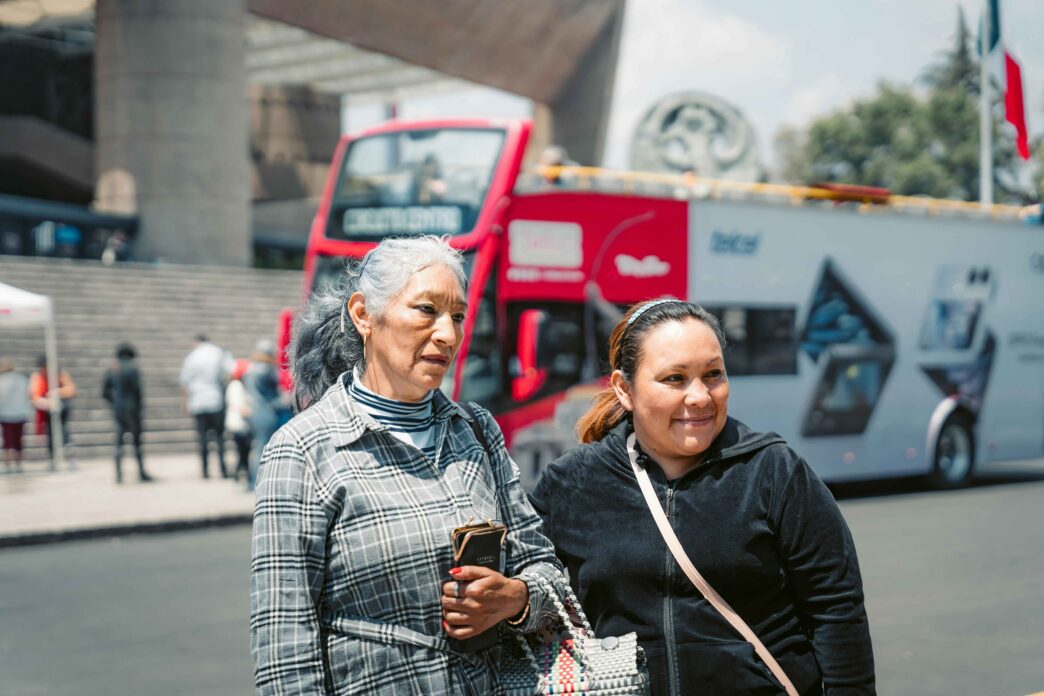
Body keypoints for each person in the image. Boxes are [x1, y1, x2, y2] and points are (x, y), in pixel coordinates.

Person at [250, 236, 571, 694]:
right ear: (363, 315)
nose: (448, 333)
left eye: (458, 316)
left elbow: (545, 567)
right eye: (427, 310)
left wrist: (515, 599)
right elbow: (285, 652)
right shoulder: (303, 449)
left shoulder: (476, 431)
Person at [531, 299, 876, 696]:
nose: (700, 397)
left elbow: (837, 611)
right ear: (624, 389)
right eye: (675, 379)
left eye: (713, 374)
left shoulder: (775, 472)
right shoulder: (573, 483)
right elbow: (533, 596)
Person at [179, 334, 231, 479]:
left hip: (197, 400)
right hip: (215, 397)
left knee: (202, 438)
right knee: (219, 436)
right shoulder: (217, 353)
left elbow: (185, 381)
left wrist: (185, 402)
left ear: (196, 342)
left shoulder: (192, 357)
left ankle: (205, 470)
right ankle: (223, 468)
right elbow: (229, 371)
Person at [102, 343, 152, 483]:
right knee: (136, 442)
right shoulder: (132, 369)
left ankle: (118, 474)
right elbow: (137, 391)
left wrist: (114, 403)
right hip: (132, 409)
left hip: (118, 409)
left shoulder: (112, 370)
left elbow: (105, 392)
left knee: (119, 441)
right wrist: (140, 407)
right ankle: (141, 472)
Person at [241, 339, 283, 492]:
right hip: (266, 412)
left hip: (253, 411)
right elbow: (275, 395)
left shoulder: (250, 368)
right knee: (265, 448)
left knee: (257, 447)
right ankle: (262, 481)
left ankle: (253, 481)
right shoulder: (266, 369)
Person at [28, 353, 78, 469]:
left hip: (62, 407)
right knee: (50, 432)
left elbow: (71, 389)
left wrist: (57, 392)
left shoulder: (60, 374)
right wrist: (44, 401)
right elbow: (33, 394)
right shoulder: (37, 377)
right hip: (46, 408)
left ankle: (69, 455)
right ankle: (52, 457)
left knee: (64, 430)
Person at [0, 358, 33, 473]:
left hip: (6, 414)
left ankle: (8, 465)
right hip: (20, 413)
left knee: (8, 441)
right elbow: (29, 395)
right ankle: (19, 464)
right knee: (18, 440)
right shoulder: (22, 379)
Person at [225, 359, 253, 483]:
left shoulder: (238, 385)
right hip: (238, 424)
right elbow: (240, 407)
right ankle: (241, 475)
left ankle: (242, 474)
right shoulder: (236, 386)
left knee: (244, 452)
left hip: (240, 423)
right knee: (242, 452)